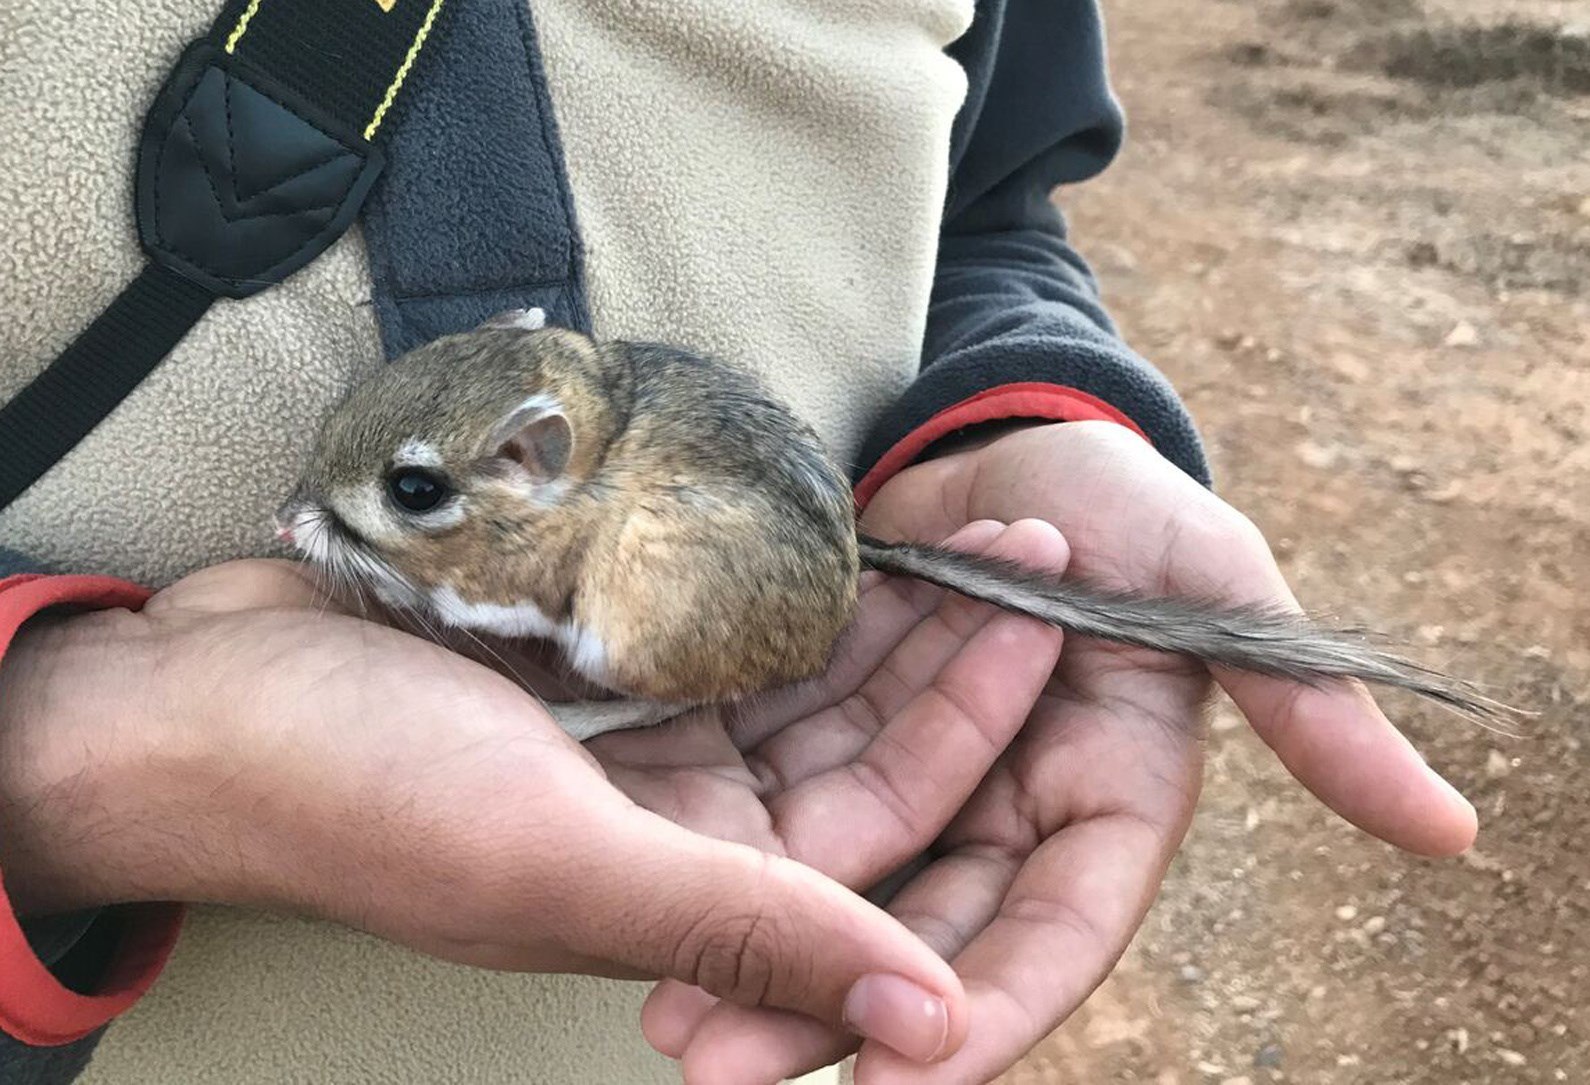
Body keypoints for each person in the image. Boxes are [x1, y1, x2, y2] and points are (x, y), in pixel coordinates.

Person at [0, 0, 1478, 1082]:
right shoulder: (521, 452)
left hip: (698, 995)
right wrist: (67, 750)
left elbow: (990, 209)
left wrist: (1008, 416)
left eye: (409, 507)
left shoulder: (550, 491)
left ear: (536, 458)